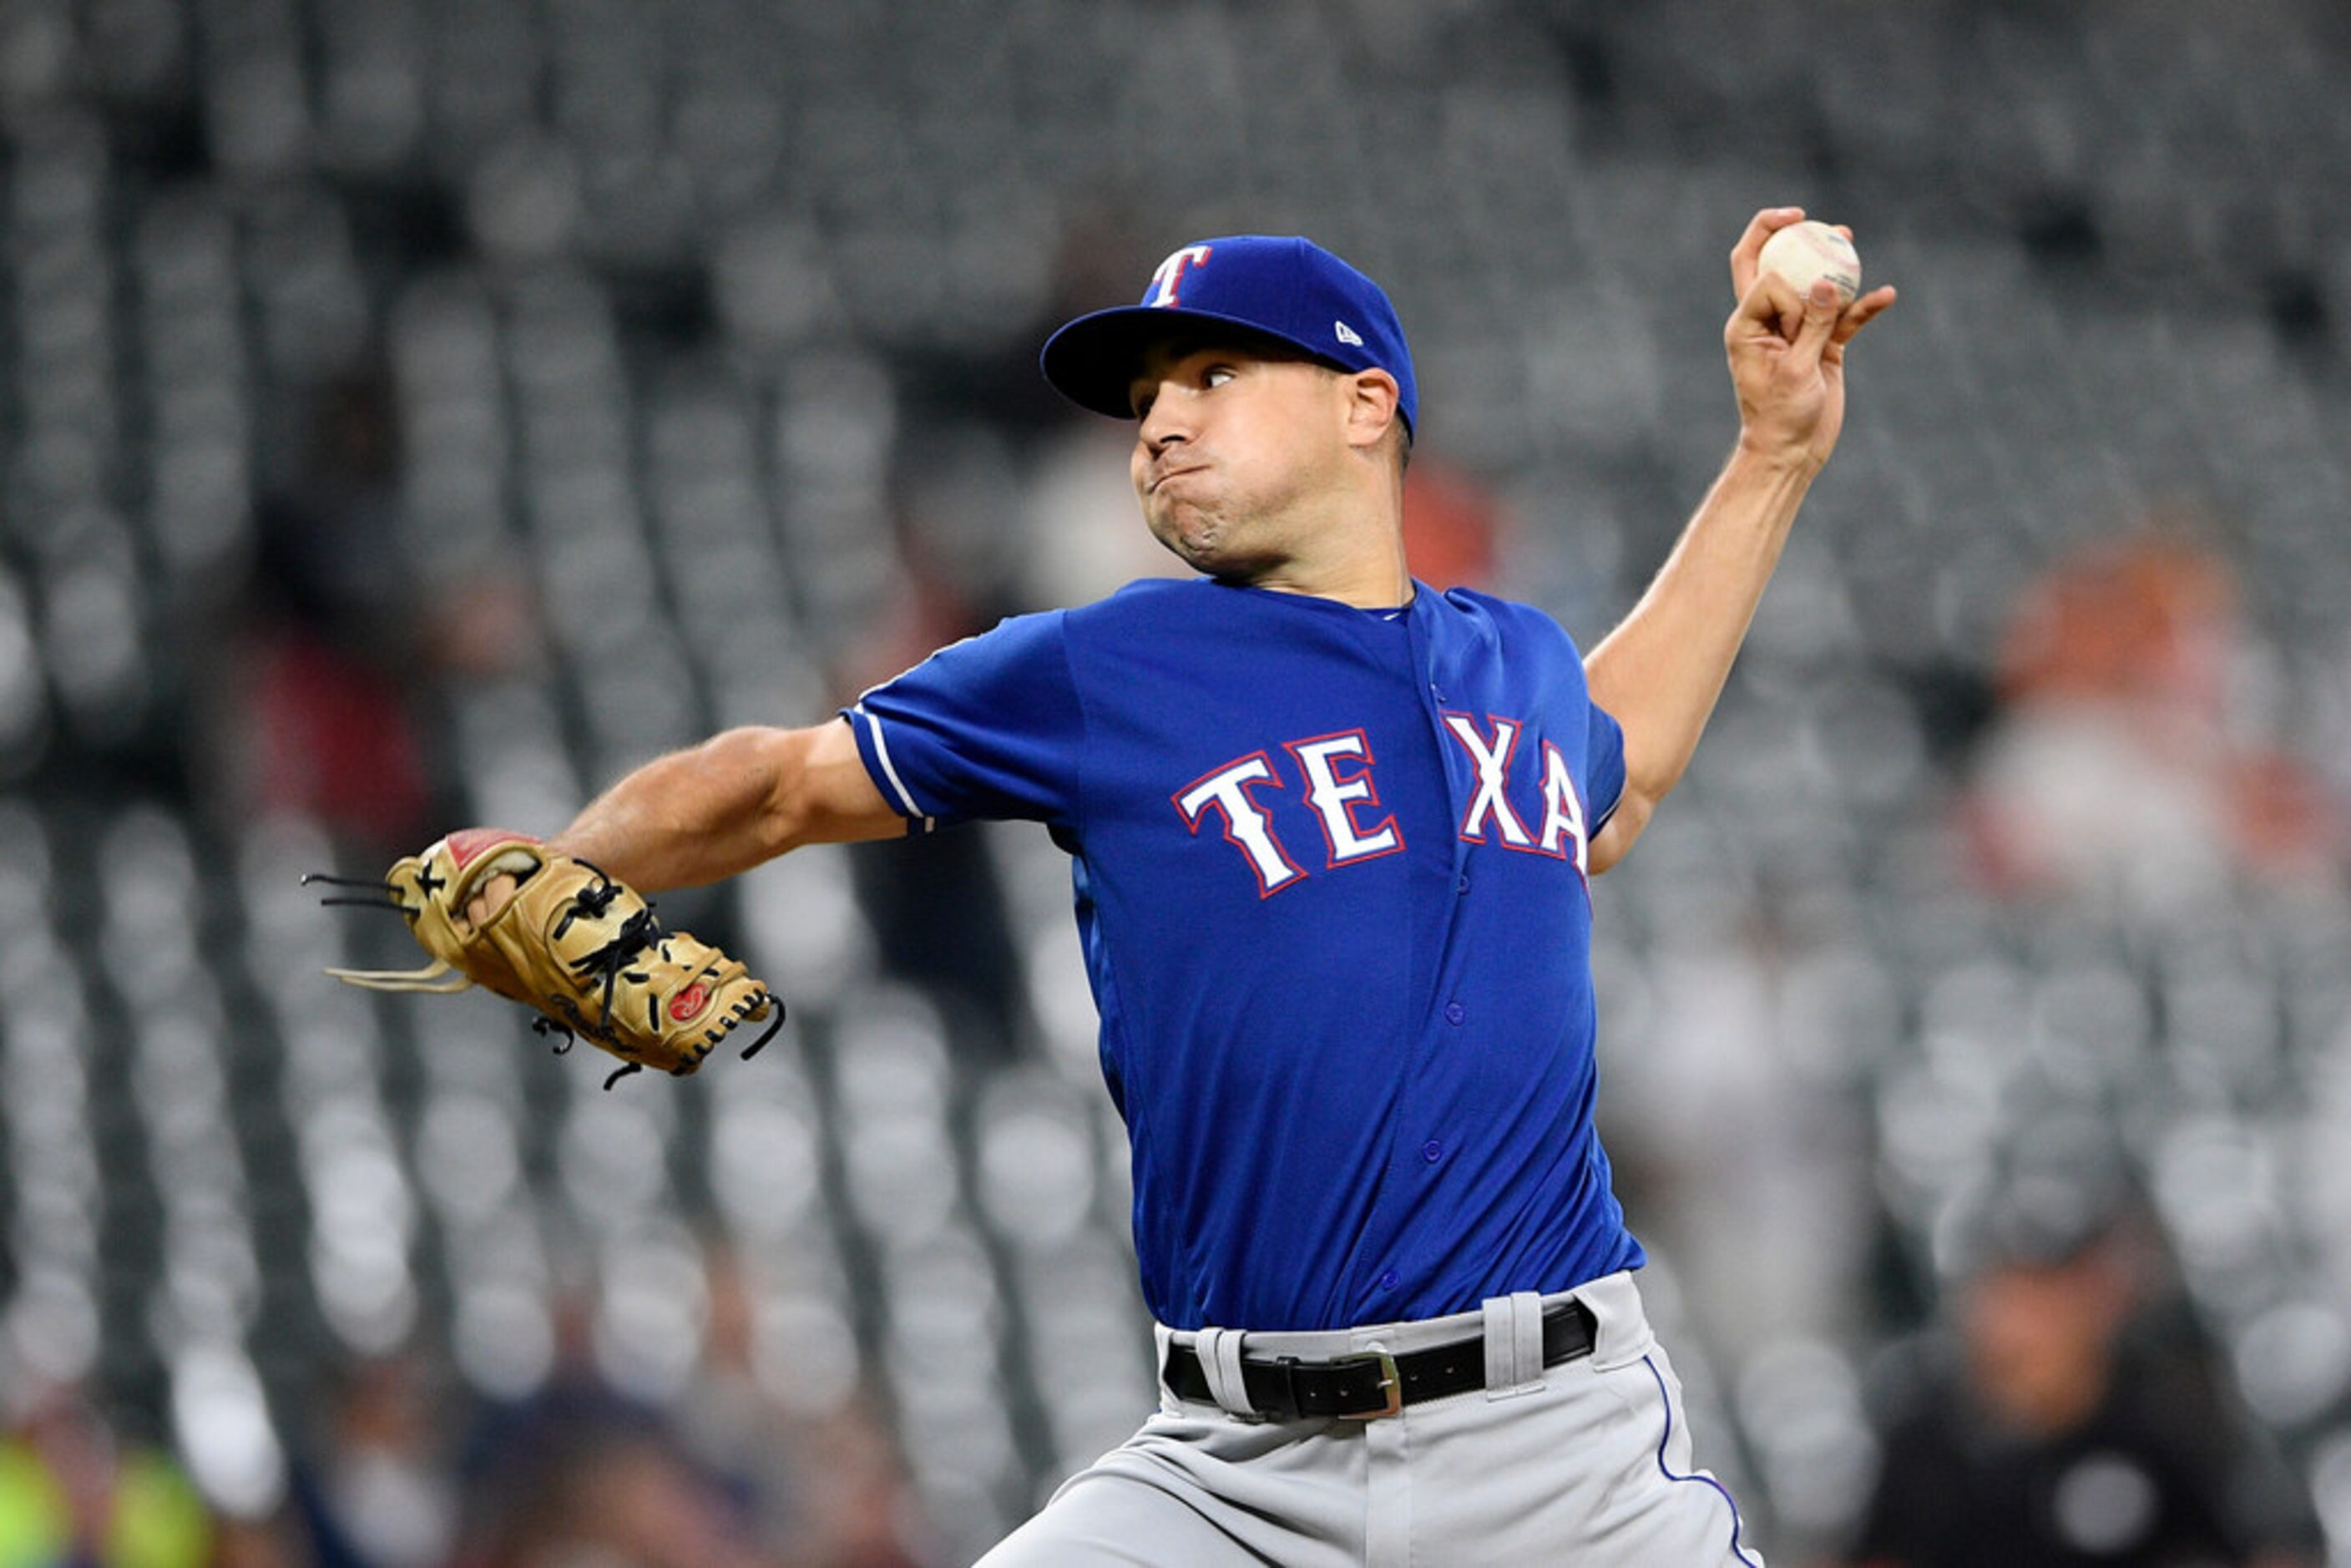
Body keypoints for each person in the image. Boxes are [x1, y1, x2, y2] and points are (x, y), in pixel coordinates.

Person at [464, 211, 1893, 1561]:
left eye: (1215, 372)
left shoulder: (1513, 660)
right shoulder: (1105, 668)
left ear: (1364, 403)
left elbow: (1620, 779)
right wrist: (550, 871)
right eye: (1148, 395)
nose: (1160, 423)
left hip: (1559, 1453)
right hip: (1236, 1471)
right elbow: (777, 783)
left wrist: (1774, 455)